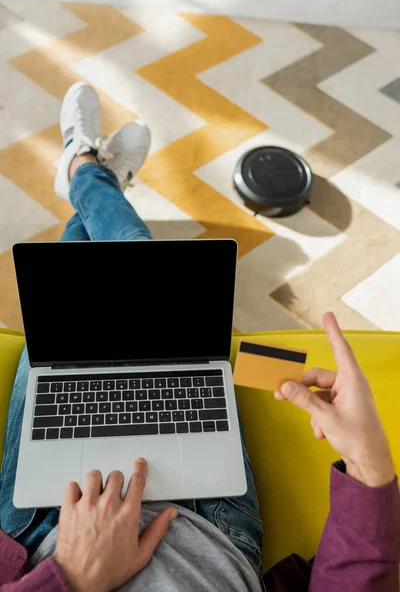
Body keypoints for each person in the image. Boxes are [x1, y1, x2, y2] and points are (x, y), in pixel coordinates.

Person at [0, 83, 398, 592]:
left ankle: (86, 172)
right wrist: (369, 467)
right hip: (212, 529)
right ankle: (89, 175)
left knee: (88, 285)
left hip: (53, 531)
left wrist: (71, 578)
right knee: (137, 270)